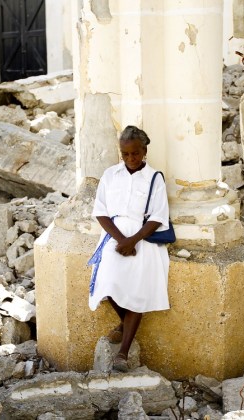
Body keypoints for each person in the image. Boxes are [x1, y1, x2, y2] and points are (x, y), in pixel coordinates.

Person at [88, 125, 170, 372]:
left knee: (136, 288)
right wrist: (121, 241)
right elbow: (101, 213)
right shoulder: (110, 175)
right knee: (107, 282)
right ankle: (126, 324)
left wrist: (133, 240)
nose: (130, 159)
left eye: (135, 153)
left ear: (144, 151)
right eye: (125, 154)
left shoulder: (155, 178)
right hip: (114, 237)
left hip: (143, 238)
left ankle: (123, 352)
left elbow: (158, 216)